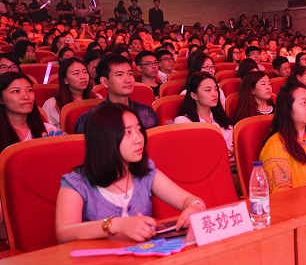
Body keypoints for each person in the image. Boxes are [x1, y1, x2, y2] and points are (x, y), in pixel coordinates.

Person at [55, 102, 207, 243]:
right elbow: (64, 232)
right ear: (104, 139)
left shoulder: (145, 173)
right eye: (128, 132)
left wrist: (195, 207)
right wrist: (116, 225)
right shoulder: (77, 183)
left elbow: (190, 200)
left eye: (139, 130)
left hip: (143, 258)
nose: (139, 139)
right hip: (98, 262)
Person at [74, 55, 158, 134]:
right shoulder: (89, 120)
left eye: (130, 74)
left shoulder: (146, 113)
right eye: (119, 75)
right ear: (105, 81)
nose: (128, 80)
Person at [174, 73, 234, 156]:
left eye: (216, 89)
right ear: (194, 95)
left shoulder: (222, 119)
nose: (215, 94)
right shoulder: (183, 122)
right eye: (208, 90)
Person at [0, 72, 59, 152]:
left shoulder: (49, 130)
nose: (26, 96)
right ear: (1, 99)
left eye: (29, 90)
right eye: (16, 91)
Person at [42, 58, 93, 128]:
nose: (83, 77)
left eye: (85, 72)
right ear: (65, 79)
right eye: (76, 73)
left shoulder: (97, 98)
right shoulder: (52, 104)